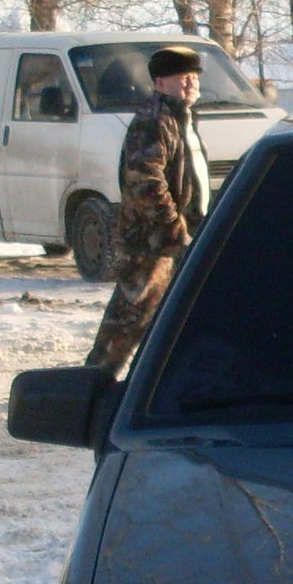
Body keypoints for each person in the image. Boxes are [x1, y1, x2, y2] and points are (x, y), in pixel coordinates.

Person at [85, 46, 209, 371]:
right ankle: (93, 386)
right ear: (160, 83)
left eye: (194, 78)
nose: (191, 84)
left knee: (175, 324)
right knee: (126, 325)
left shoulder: (181, 119)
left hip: (182, 241)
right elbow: (145, 182)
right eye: (183, 78)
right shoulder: (153, 122)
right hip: (152, 245)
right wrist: (173, 227)